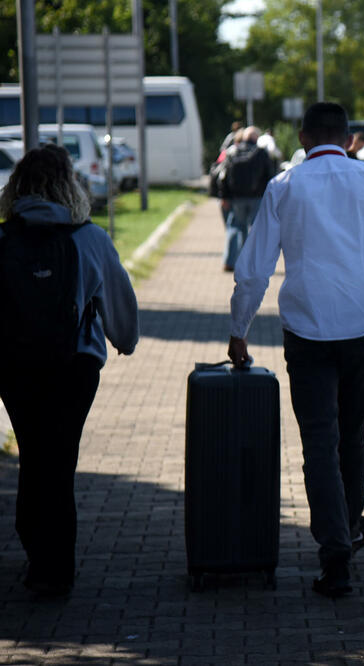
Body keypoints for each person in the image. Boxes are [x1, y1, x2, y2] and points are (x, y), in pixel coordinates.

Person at [228, 102, 364, 598]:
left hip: (307, 330)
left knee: (319, 443)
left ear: (303, 135)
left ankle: (335, 550)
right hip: (363, 328)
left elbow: (254, 266)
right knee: (353, 437)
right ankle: (351, 528)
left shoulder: (285, 186)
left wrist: (239, 328)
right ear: (349, 138)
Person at [0, 144, 139, 597]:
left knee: (33, 452)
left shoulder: (4, 240)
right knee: (60, 459)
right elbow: (120, 304)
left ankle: (35, 545)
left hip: (15, 367)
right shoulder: (89, 238)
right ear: (69, 186)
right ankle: (54, 568)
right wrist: (124, 339)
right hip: (73, 368)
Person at [219, 126, 275, 271]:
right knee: (255, 231)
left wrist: (224, 197)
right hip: (257, 198)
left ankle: (230, 262)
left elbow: (223, 176)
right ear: (256, 138)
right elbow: (270, 176)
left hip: (236, 198)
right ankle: (252, 264)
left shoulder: (232, 152)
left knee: (236, 227)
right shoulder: (262, 153)